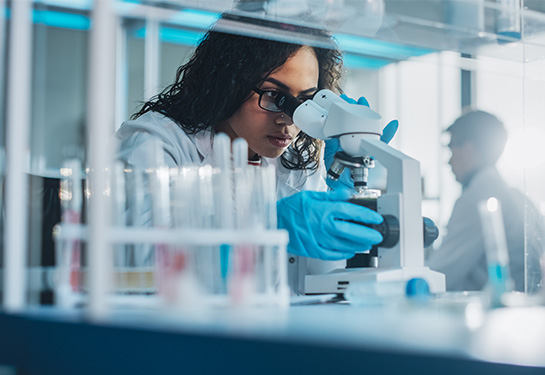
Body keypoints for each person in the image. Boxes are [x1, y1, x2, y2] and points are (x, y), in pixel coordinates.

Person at [114, 18, 392, 294]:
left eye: (306, 101)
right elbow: (145, 266)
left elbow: (321, 281)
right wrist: (269, 226)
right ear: (227, 83)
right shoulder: (157, 142)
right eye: (274, 95)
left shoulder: (295, 164)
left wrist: (341, 203)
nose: (288, 121)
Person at [428, 110, 544, 292]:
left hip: (499, 313)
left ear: (468, 149)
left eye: (451, 149)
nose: (448, 161)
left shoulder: (477, 198)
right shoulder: (519, 197)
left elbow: (440, 275)